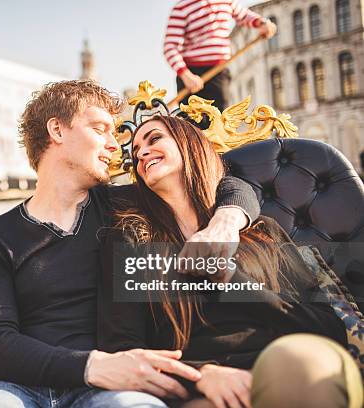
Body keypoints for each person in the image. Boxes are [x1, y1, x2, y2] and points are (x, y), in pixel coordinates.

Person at [0, 80, 261, 407]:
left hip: (114, 387)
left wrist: (227, 222)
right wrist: (92, 366)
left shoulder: (126, 205)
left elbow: (232, 184)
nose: (115, 145)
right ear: (57, 130)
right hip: (20, 387)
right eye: (100, 129)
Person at [98, 114, 363, 408]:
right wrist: (203, 375)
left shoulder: (262, 232)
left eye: (154, 138)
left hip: (281, 363)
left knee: (304, 371)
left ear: (190, 145)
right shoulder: (133, 240)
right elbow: (123, 347)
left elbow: (327, 326)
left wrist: (230, 280)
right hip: (200, 387)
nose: (142, 153)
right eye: (135, 152)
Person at [164, 0, 277, 111]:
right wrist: (185, 75)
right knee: (189, 124)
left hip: (219, 72)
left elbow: (243, 15)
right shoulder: (181, 8)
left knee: (220, 119)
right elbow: (170, 47)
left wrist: (261, 23)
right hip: (191, 75)